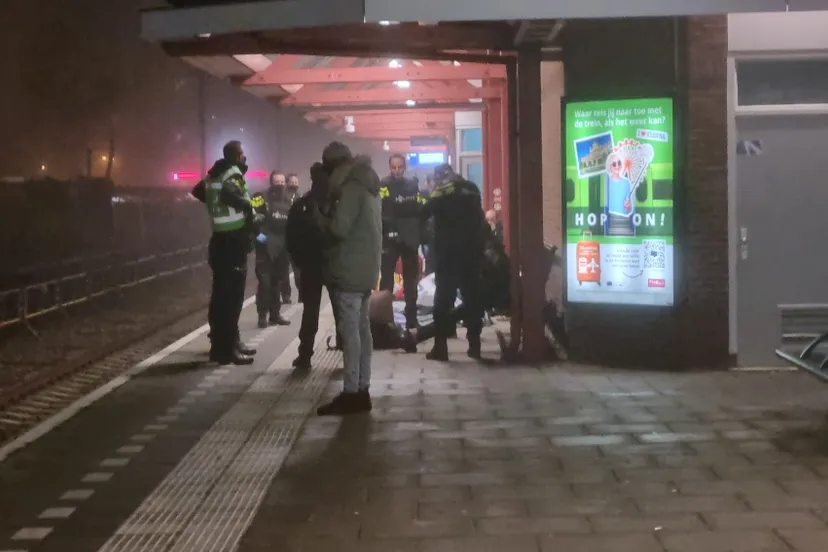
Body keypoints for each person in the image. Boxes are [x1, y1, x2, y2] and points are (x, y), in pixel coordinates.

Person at [313, 142, 382, 416]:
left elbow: (340, 229)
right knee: (363, 332)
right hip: (366, 269)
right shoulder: (369, 186)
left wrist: (320, 216)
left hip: (350, 269)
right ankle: (362, 389)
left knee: (350, 333)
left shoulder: (352, 188)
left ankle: (351, 392)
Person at [190, 140, 258, 365]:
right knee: (232, 298)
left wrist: (214, 205)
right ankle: (227, 350)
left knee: (221, 296)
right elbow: (231, 195)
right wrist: (248, 207)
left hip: (219, 241)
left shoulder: (213, 175)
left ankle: (224, 345)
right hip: (233, 241)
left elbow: (198, 190)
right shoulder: (232, 174)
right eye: (243, 154)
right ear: (238, 155)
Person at [421, 163, 486, 361]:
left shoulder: (440, 193)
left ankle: (441, 347)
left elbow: (423, 214)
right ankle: (474, 345)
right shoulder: (472, 188)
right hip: (471, 252)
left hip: (447, 254)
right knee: (472, 298)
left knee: (443, 299)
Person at [286, 162, 341, 369]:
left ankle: (305, 355)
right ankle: (345, 351)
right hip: (331, 264)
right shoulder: (337, 204)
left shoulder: (302, 204)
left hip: (311, 266)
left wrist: (298, 265)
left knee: (311, 311)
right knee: (339, 310)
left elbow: (291, 239)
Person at [379, 154, 426, 348]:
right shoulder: (383, 184)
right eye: (394, 167)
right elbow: (382, 209)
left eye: (400, 167)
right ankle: (384, 322)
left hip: (408, 238)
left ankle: (411, 321)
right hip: (390, 237)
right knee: (387, 282)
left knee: (411, 281)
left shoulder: (413, 184)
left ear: (404, 167)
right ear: (389, 167)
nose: (397, 170)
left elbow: (419, 208)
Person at [251, 171, 291, 328]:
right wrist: (261, 240)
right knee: (265, 283)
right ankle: (262, 315)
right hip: (265, 248)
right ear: (271, 182)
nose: (280, 184)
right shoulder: (259, 197)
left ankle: (275, 314)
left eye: (282, 182)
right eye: (277, 181)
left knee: (277, 282)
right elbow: (252, 220)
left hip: (282, 248)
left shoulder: (289, 200)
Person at [282, 173, 301, 304]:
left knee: (298, 269)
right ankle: (286, 295)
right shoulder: (282, 198)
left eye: (296, 182)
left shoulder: (300, 198)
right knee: (283, 270)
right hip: (283, 238)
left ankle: (301, 293)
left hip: (296, 240)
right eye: (292, 182)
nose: (294, 184)